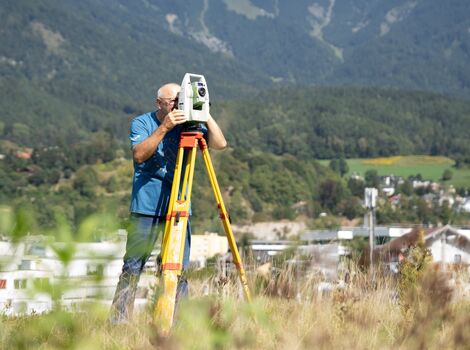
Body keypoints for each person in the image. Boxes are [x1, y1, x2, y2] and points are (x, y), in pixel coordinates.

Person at [109, 82, 227, 323]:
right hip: (146, 208)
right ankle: (119, 322)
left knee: (176, 270)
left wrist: (203, 114)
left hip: (179, 206)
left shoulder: (189, 125)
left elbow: (220, 144)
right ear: (159, 103)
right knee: (133, 267)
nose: (177, 105)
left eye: (180, 100)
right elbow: (139, 154)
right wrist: (164, 127)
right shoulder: (142, 123)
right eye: (172, 101)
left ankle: (175, 323)